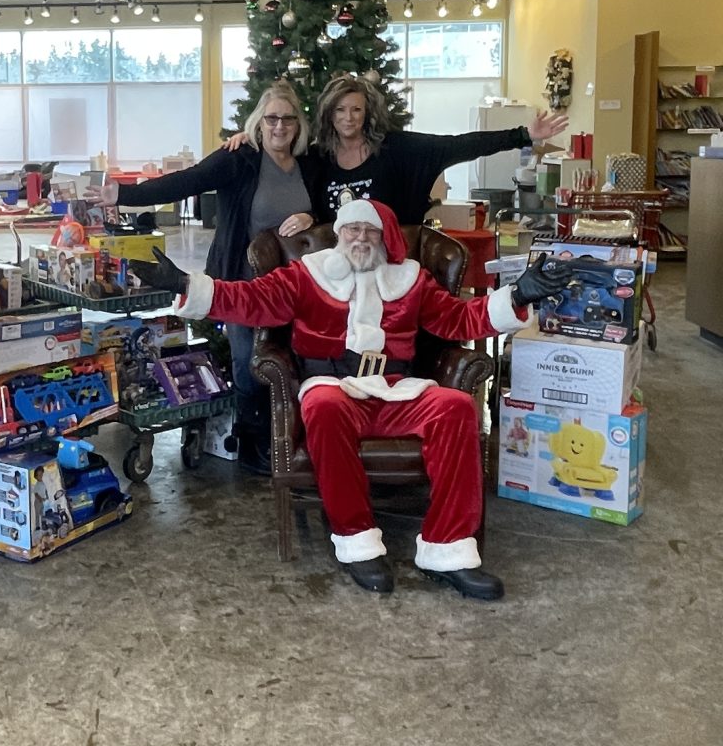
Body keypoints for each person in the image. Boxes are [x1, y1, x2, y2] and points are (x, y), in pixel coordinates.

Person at [129, 198, 572, 600]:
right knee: (322, 408)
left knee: (455, 408)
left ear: (384, 237)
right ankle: (357, 541)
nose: (360, 239)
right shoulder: (307, 274)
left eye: (370, 231)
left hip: (397, 388)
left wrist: (517, 296)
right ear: (338, 234)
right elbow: (249, 299)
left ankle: (449, 550)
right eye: (351, 230)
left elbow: (459, 318)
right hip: (333, 386)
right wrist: (185, 284)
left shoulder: (411, 280)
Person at [84, 81, 325, 474]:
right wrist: (123, 195)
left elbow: (333, 209)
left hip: (296, 286)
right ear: (259, 123)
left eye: (287, 119)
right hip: (241, 284)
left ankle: (290, 439)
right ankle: (253, 445)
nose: (280, 126)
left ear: (298, 125)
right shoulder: (241, 158)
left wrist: (312, 219)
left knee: (291, 362)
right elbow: (189, 180)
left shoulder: (310, 165)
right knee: (249, 362)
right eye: (271, 118)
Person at [226, 73, 569, 225]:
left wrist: (523, 134)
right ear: (329, 114)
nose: (349, 118)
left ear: (367, 112)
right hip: (335, 272)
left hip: (392, 267)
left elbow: (459, 145)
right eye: (340, 110)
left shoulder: (397, 149)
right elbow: (278, 148)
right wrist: (248, 139)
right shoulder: (316, 158)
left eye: (356, 109)